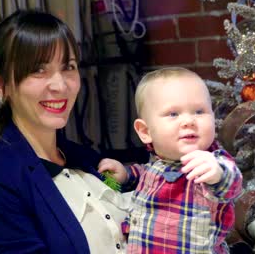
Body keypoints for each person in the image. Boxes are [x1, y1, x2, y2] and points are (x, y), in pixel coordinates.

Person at [0, 10, 131, 253]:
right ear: (0, 83)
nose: (60, 85)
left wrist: (126, 179)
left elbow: (121, 194)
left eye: (69, 67)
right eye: (38, 70)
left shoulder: (85, 159)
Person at [99, 67, 243, 253]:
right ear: (145, 131)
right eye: (174, 114)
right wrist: (127, 174)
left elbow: (232, 184)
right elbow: (149, 173)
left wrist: (218, 173)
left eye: (199, 111)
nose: (189, 121)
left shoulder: (208, 164)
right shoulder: (160, 162)